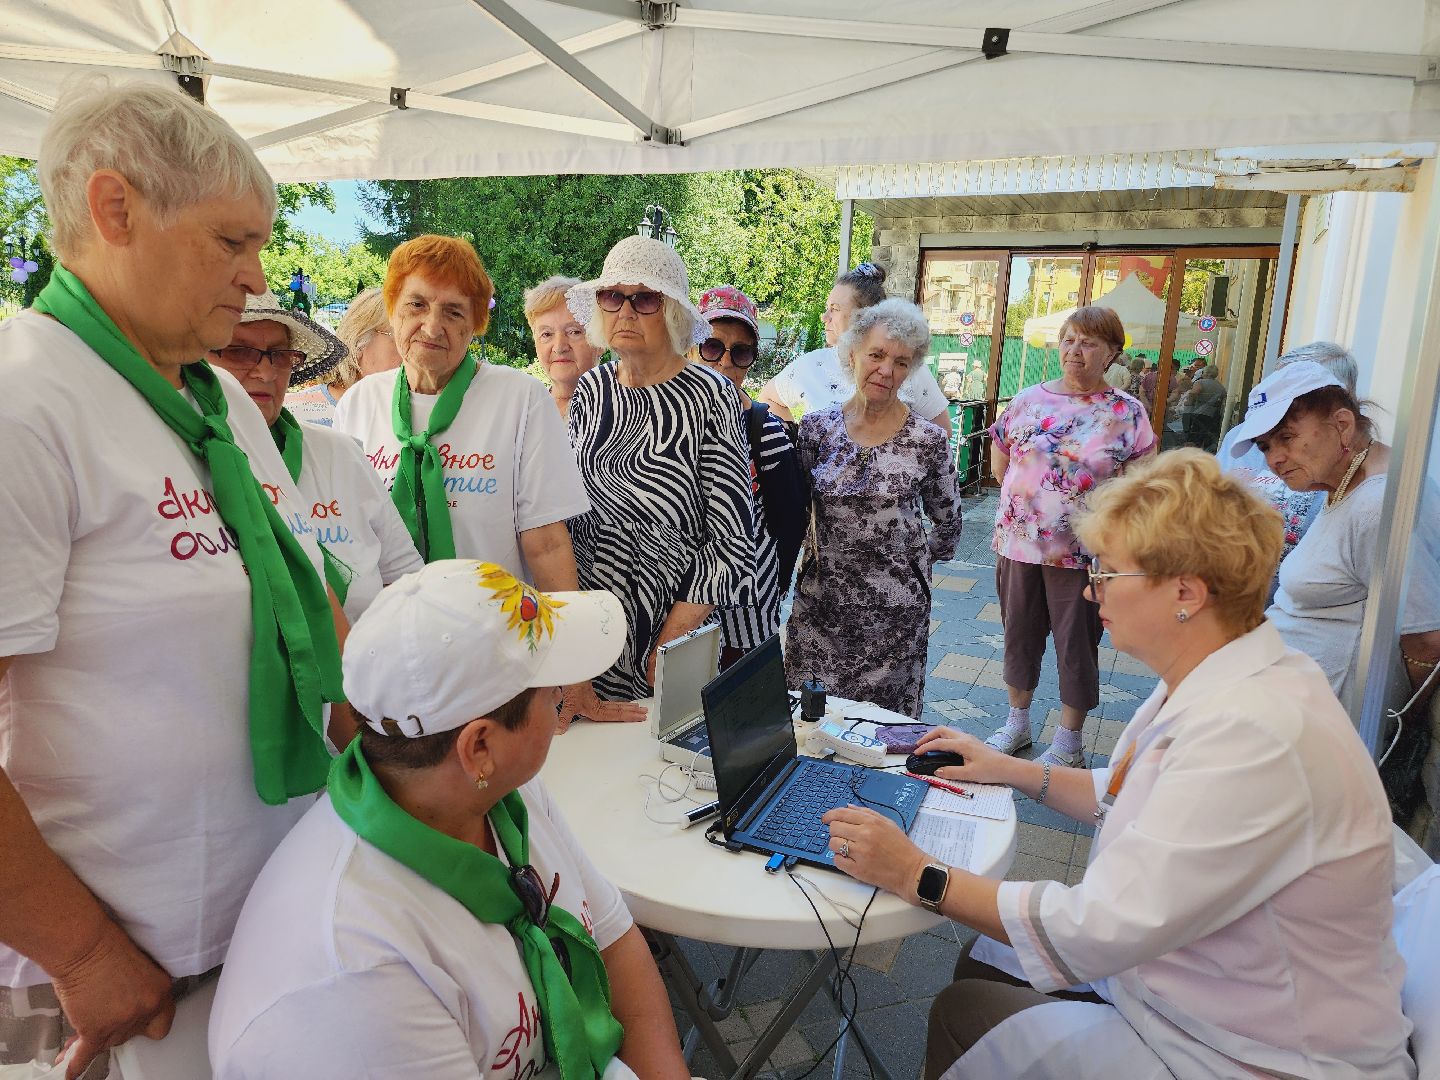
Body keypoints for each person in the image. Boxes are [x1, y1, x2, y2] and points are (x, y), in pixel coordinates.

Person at [822, 450, 1415, 1080]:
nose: (1088, 588)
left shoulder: (1255, 734)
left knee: (965, 1007)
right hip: (1214, 989)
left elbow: (1097, 926)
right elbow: (1136, 791)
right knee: (988, 956)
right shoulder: (1234, 677)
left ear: (1185, 591)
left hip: (1258, 1051)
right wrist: (1009, 768)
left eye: (1107, 573)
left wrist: (917, 873)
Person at [0, 80, 343, 1077]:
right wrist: (84, 952)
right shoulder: (27, 401)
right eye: (231, 241)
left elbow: (309, 608)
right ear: (116, 210)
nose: (256, 275)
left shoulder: (220, 401)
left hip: (257, 926)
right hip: (109, 977)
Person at [209, 560, 691, 1080]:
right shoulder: (360, 972)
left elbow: (616, 943)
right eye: (552, 695)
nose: (562, 704)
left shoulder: (501, 796)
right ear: (479, 745)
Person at [334, 235, 629, 726]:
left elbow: (548, 545)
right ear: (392, 311)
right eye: (417, 305)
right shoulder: (358, 405)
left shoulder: (519, 400)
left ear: (475, 325)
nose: (432, 325)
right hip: (390, 660)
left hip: (496, 653)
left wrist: (576, 673)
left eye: (454, 312)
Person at [564, 237, 755, 700]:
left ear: (673, 312)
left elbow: (732, 541)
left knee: (661, 767)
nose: (624, 312)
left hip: (669, 625)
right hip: (594, 625)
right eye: (612, 297)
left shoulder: (711, 396)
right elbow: (567, 514)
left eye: (644, 299)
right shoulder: (591, 389)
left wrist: (670, 641)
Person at [986, 305, 1155, 768]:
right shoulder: (1026, 401)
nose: (1074, 351)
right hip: (1019, 547)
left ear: (1112, 353)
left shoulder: (1127, 413)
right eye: (1068, 340)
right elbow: (1001, 465)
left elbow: (1139, 489)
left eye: (1088, 343)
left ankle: (1068, 742)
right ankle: (1017, 724)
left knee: (1076, 645)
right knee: (1018, 635)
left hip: (1084, 555)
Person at [783, 299, 961, 719]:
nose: (886, 370)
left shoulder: (927, 440)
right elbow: (795, 511)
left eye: (901, 361)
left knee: (882, 733)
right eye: (876, 355)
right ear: (852, 354)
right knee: (810, 723)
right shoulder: (817, 428)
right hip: (821, 608)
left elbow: (949, 522)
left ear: (912, 367)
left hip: (894, 618)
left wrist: (905, 562)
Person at [1228, 361, 1440, 704]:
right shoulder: (1345, 485)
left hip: (1319, 721)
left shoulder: (1378, 503)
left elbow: (1427, 643)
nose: (1274, 459)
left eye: (1287, 437)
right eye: (1265, 446)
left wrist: (1390, 729)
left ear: (1342, 425)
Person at [208, 291, 423, 623]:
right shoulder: (181, 460)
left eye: (279, 355)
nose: (265, 373)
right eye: (239, 351)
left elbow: (406, 579)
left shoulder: (339, 452)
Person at [695, 284, 808, 668]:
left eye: (740, 352)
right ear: (691, 346)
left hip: (745, 610)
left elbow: (791, 519)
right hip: (680, 601)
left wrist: (772, 588)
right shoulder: (669, 422)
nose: (724, 362)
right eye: (712, 347)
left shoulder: (765, 429)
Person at [757, 263, 953, 438]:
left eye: (834, 308)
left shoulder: (906, 368)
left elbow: (941, 434)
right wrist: (788, 444)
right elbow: (769, 399)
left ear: (865, 316)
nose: (824, 317)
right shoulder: (811, 366)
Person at [1220, 342, 1359, 570]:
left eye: (1293, 397)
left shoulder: (1368, 483)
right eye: (1264, 446)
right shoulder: (1242, 437)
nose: (1274, 458)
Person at [284, 286, 402, 426]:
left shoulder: (418, 420)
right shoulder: (294, 415)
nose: (411, 353)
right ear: (359, 341)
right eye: (400, 338)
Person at [524, 274, 602, 418]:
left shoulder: (618, 411)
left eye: (574, 332)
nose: (559, 347)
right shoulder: (525, 413)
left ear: (599, 341)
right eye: (546, 334)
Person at [1179, 362, 1226, 451]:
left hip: (1198, 413)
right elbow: (1223, 398)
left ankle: (1189, 454)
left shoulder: (1200, 382)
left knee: (1193, 436)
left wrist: (1189, 402)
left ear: (1205, 373)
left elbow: (1194, 393)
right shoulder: (1220, 386)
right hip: (1212, 415)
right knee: (1204, 437)